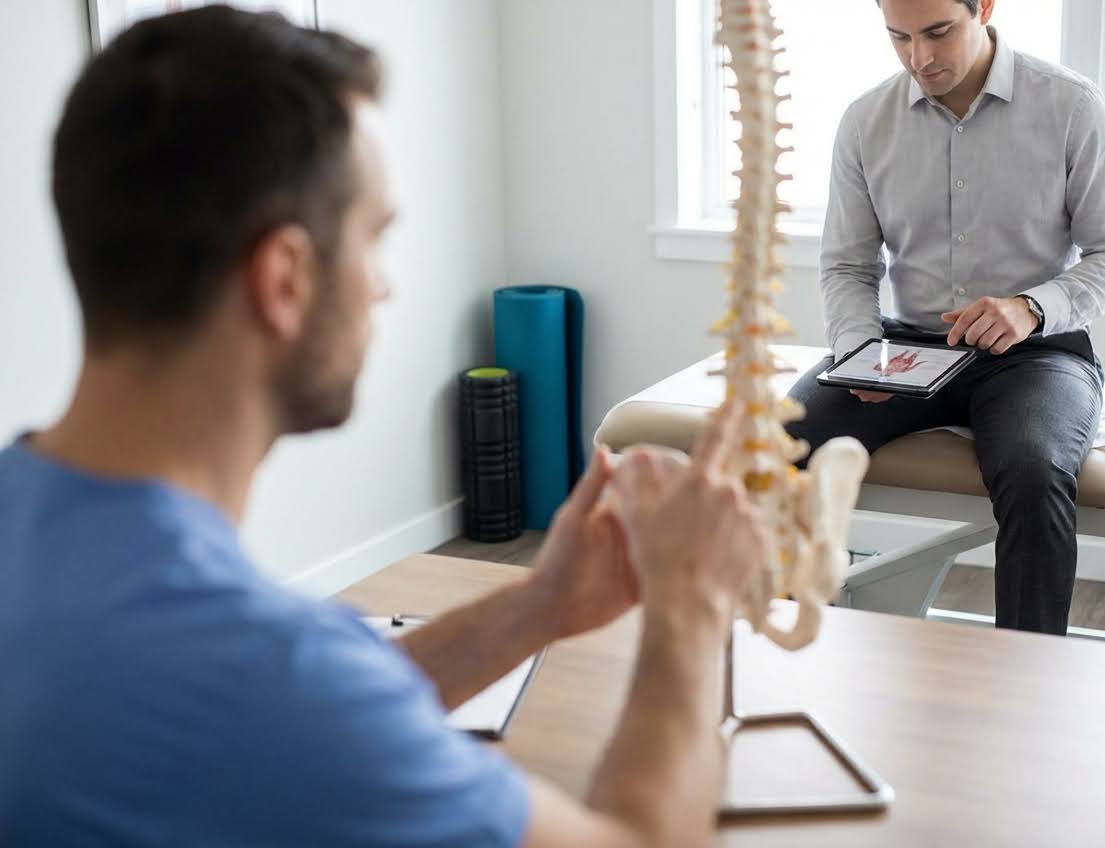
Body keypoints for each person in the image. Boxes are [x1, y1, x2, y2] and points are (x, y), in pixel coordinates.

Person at [0, 8, 768, 846]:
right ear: (285, 279)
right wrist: (691, 609)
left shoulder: (53, 549)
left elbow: (302, 720)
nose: (384, 287)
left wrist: (539, 604)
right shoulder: (265, 678)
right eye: (375, 238)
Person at [786, 0, 1105, 635]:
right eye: (897, 37)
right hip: (905, 347)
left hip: (1038, 352)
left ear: (983, 7)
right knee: (777, 453)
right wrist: (857, 351)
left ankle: (1026, 679)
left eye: (938, 32)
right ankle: (778, 656)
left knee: (1035, 475)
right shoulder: (866, 121)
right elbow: (847, 266)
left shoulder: (1071, 105)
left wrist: (1033, 307)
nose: (919, 57)